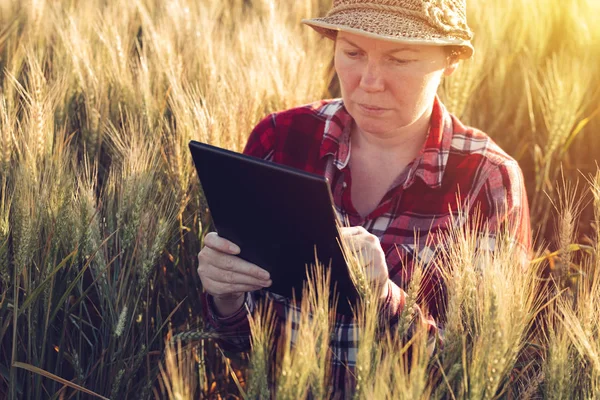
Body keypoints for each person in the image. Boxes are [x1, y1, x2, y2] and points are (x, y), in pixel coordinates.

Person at [197, 0, 531, 396]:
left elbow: (477, 374)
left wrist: (386, 301)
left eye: (400, 59)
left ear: (450, 60)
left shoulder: (486, 180)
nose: (370, 81)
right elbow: (241, 349)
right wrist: (227, 298)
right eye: (353, 52)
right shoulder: (279, 140)